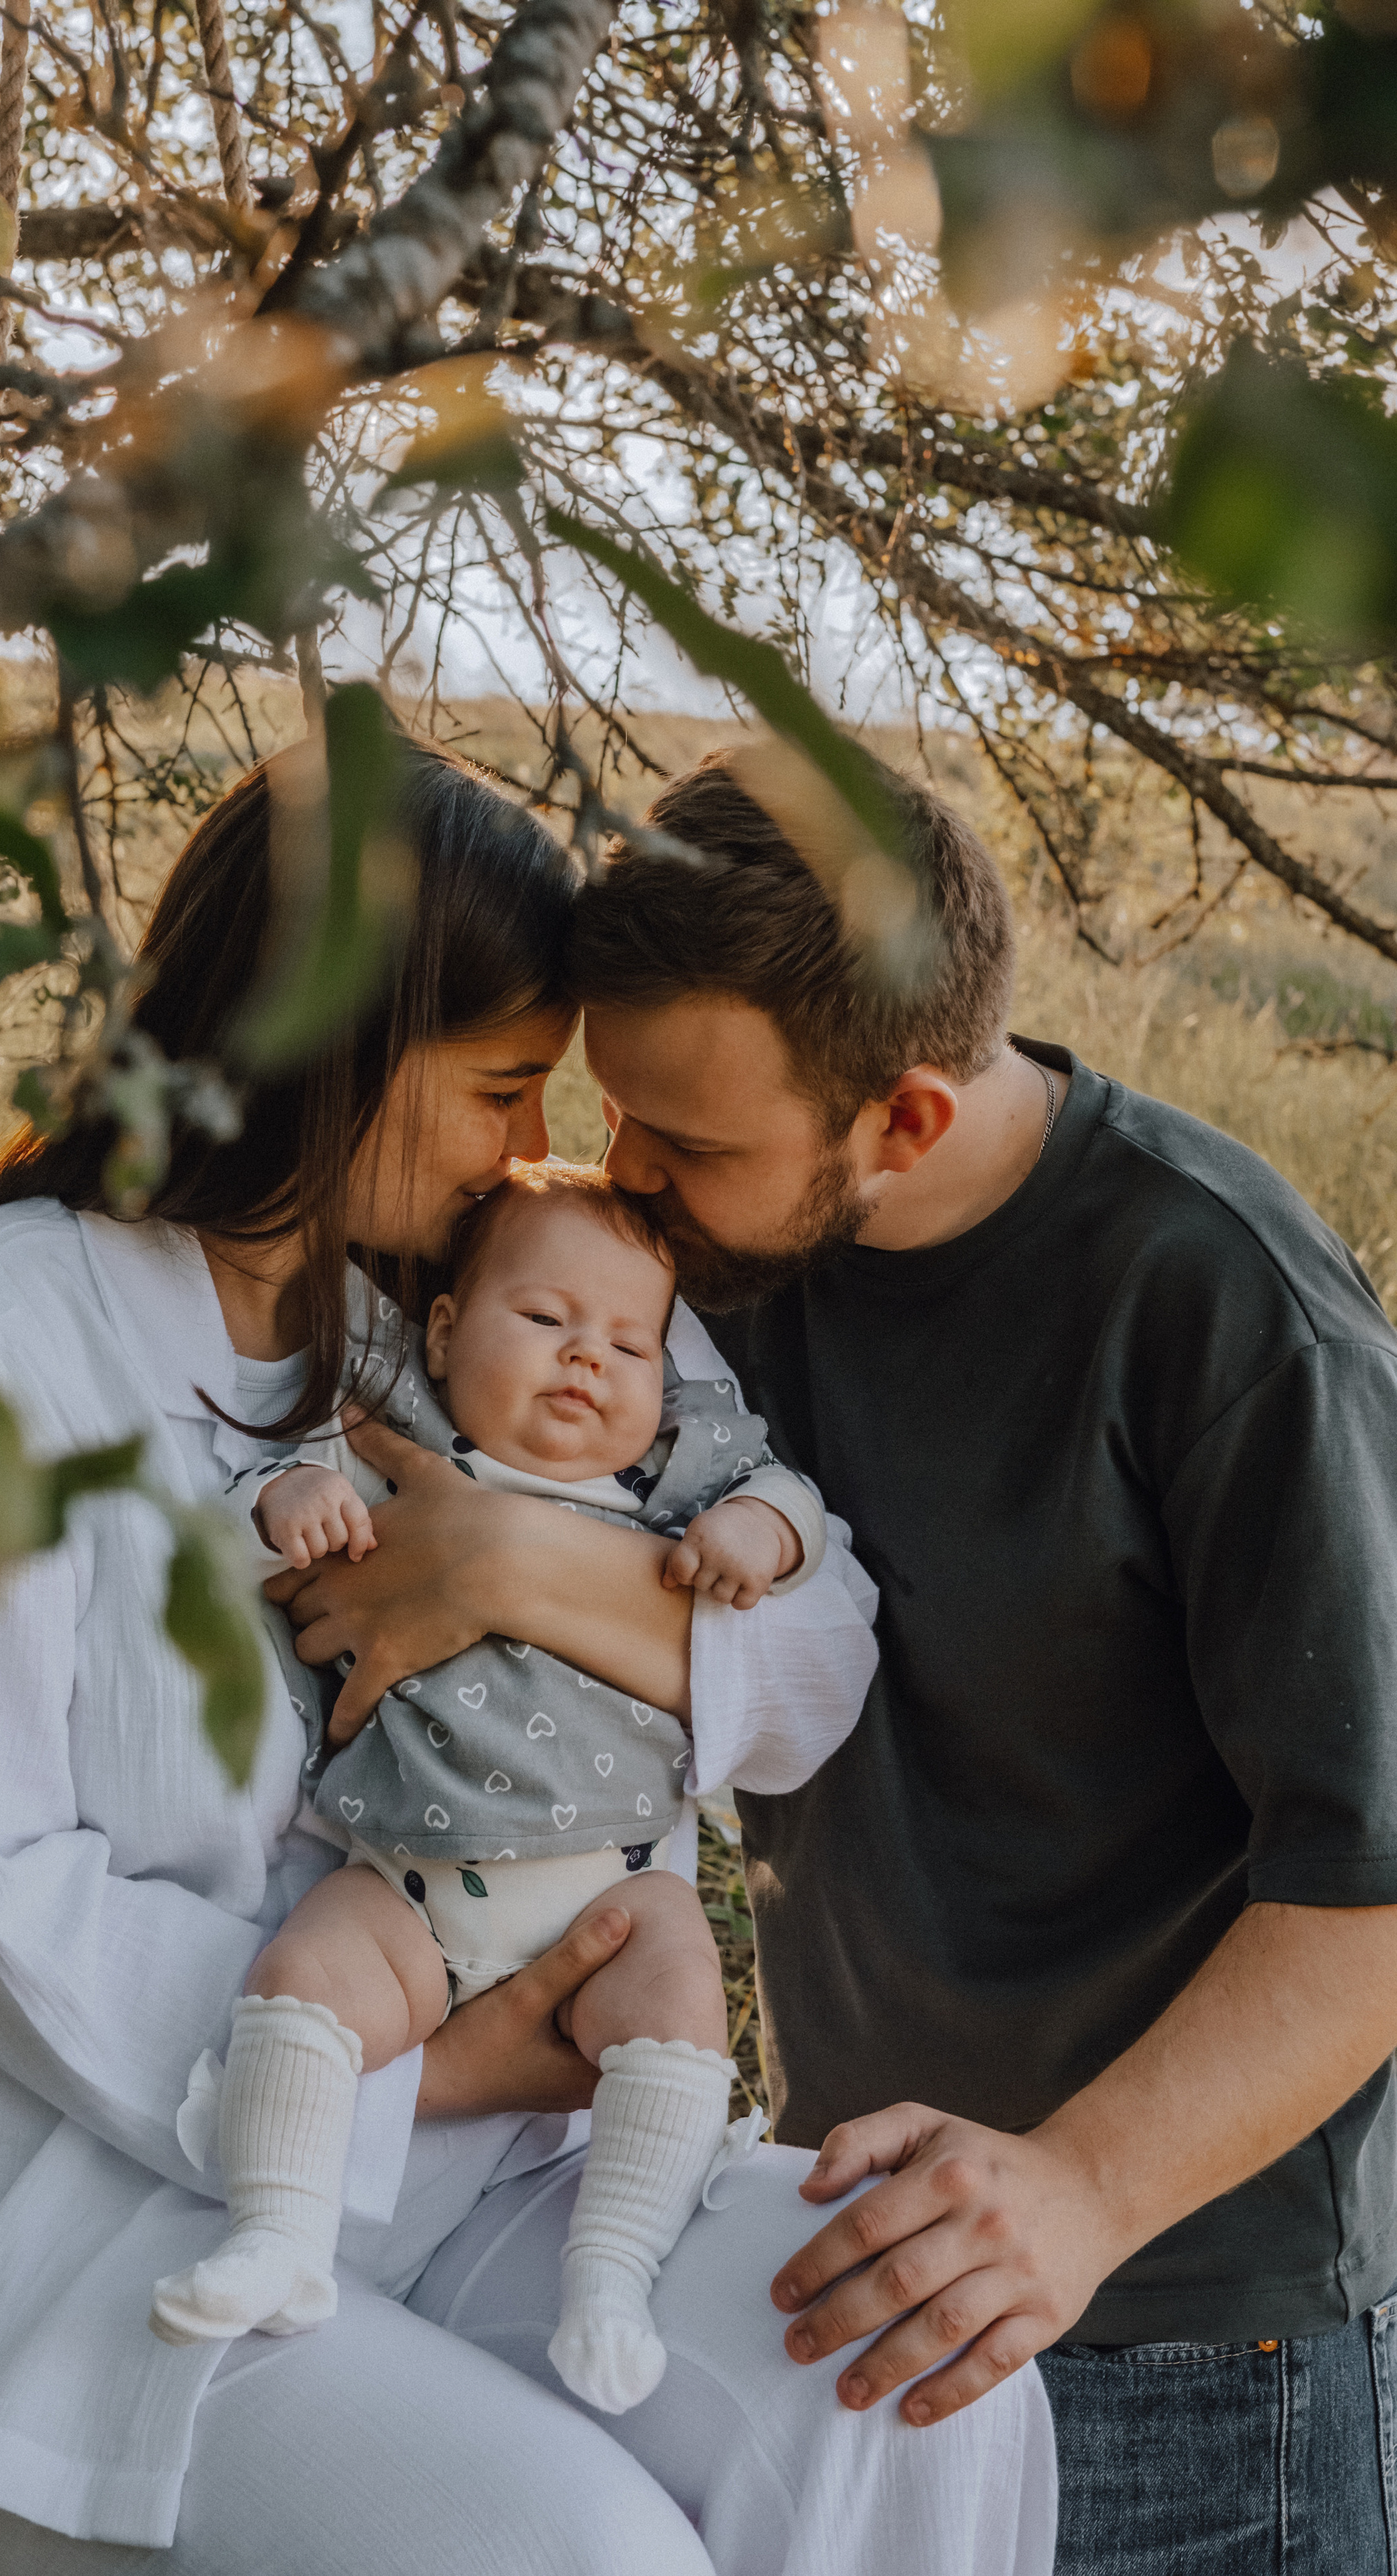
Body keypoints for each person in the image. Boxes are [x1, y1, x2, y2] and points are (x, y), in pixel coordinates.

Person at [0, 737, 1057, 2576]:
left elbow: (815, 1657)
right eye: (501, 1089)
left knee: (921, 2386)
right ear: (337, 1047)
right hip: (113, 2230)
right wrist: (445, 2062)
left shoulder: (480, 1288)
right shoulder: (4, 1327)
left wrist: (518, 1562)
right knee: (584, 2559)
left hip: (524, 2188)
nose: (533, 1148)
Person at [535, 740, 1397, 2572]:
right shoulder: (716, 1277)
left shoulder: (1222, 1301)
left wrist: (1079, 2192)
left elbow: (1375, 1892)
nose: (631, 1178)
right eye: (619, 1112)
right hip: (844, 2273)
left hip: (1198, 2346)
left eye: (688, 1144)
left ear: (905, 1120)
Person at [150, 1160, 849, 2419]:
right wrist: (290, 1496)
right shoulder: (394, 1431)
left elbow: (796, 1506)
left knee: (681, 1999)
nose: (591, 1359)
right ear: (446, 1329)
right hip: (407, 1883)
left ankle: (613, 2275)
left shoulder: (673, 1477)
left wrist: (766, 1537)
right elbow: (247, 1489)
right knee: (301, 1985)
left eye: (629, 1342)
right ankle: (277, 2234)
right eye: (546, 1322)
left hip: (613, 1892)